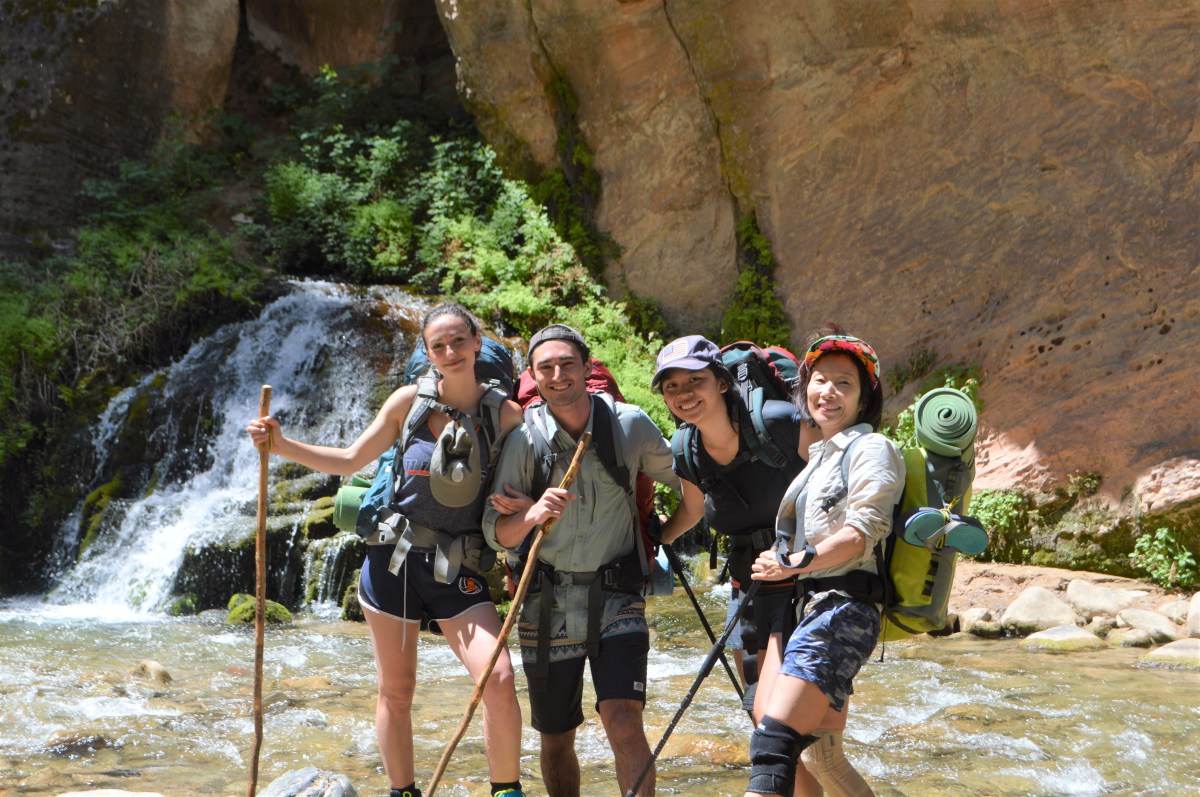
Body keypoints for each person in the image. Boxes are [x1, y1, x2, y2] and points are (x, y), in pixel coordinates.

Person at [246, 302, 527, 797]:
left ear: (477, 342)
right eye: (438, 345)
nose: (450, 351)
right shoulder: (406, 403)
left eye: (458, 340)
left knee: (498, 678)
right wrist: (282, 444)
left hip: (456, 568)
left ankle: (506, 791)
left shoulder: (505, 416)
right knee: (396, 693)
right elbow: (351, 458)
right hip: (391, 562)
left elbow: (524, 478)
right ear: (427, 351)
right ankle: (404, 792)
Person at [483, 324, 703, 797]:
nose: (558, 375)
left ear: (587, 367)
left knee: (624, 720)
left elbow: (691, 484)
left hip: (617, 597)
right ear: (533, 376)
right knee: (556, 736)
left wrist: (664, 535)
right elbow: (496, 533)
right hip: (546, 604)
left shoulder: (629, 425)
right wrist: (532, 515)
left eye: (567, 364)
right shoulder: (523, 440)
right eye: (546, 367)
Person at [743, 335, 905, 797]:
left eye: (844, 383)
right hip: (814, 608)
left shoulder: (872, 449)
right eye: (819, 380)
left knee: (773, 744)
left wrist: (793, 563)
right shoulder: (820, 458)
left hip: (843, 609)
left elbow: (861, 532)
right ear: (804, 388)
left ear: (864, 397)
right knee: (821, 756)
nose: (828, 392)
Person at [651, 335, 820, 724]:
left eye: (696, 381)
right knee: (758, 705)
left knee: (783, 713)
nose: (684, 394)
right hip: (747, 583)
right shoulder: (686, 449)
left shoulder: (780, 422)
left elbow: (835, 483)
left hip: (804, 577)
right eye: (672, 386)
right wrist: (657, 537)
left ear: (722, 382)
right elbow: (693, 509)